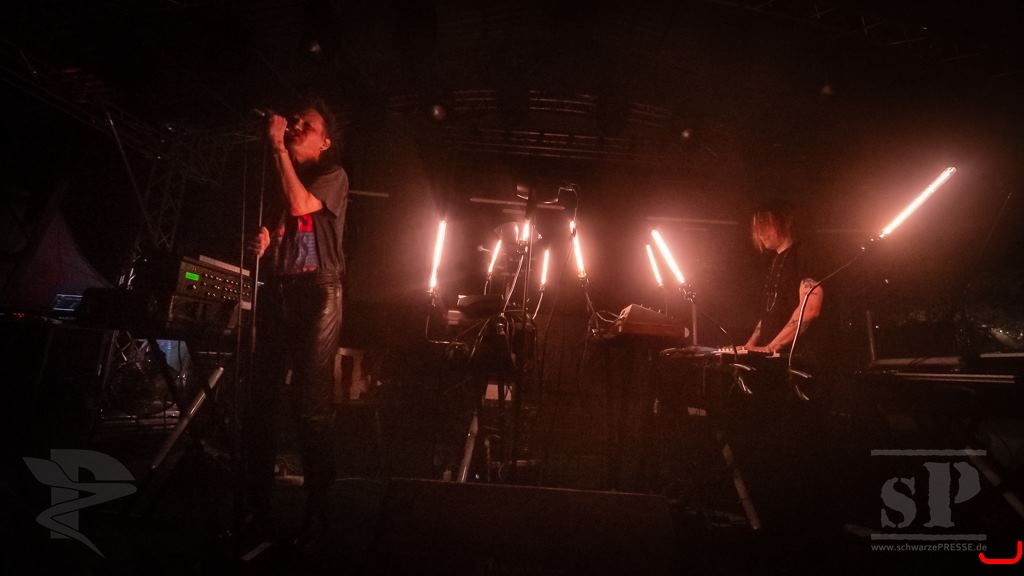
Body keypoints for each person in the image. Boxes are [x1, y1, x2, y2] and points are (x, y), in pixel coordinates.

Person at [246, 97, 349, 543]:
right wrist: (265, 241)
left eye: (307, 125)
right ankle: (255, 505)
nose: (296, 127)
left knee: (309, 406)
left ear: (325, 141)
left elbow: (303, 205)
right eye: (295, 122)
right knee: (260, 401)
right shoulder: (282, 177)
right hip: (280, 291)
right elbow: (284, 226)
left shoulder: (333, 176)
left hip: (318, 293)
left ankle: (321, 504)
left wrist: (276, 147)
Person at [741, 201, 823, 357]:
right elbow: (770, 313)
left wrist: (772, 346)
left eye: (766, 226)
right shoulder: (773, 261)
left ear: (784, 223)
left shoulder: (803, 254)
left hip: (796, 357)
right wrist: (750, 345)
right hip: (773, 355)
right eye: (758, 228)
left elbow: (810, 309)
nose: (761, 233)